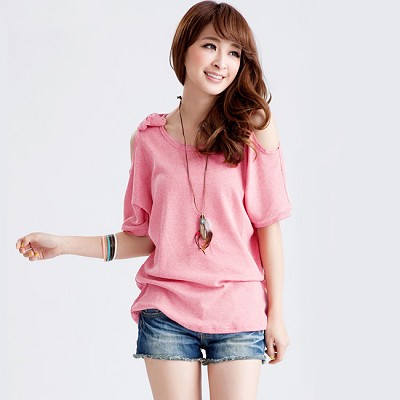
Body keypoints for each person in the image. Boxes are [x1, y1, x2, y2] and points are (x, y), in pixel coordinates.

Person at [15, 1, 293, 399]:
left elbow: (268, 226)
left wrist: (276, 314)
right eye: (210, 46)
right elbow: (144, 237)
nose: (222, 62)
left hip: (238, 308)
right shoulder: (148, 140)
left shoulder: (253, 126)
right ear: (184, 49)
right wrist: (63, 244)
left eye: (234, 52)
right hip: (167, 312)